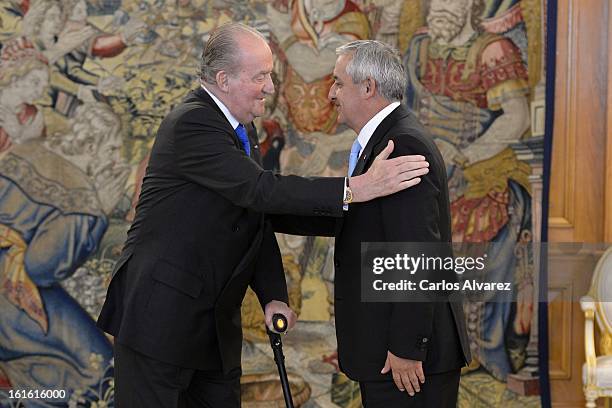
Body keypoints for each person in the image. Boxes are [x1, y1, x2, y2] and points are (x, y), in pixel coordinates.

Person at [96, 22, 429, 408]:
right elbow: (260, 190)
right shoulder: (192, 122)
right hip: (160, 320)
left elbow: (256, 212)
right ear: (224, 79)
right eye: (261, 76)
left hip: (213, 329)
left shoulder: (240, 128)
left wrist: (273, 295)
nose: (271, 87)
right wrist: (356, 189)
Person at [272, 40, 471, 407]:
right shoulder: (384, 141)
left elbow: (417, 253)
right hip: (389, 353)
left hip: (406, 360)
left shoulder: (402, 145)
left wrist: (407, 347)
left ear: (367, 87)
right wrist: (265, 208)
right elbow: (359, 218)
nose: (331, 93)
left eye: (338, 83)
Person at [404, 0, 533, 380]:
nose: (438, 8)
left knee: (473, 236)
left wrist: (465, 154)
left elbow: (518, 116)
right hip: (425, 172)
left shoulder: (493, 50)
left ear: (471, 6)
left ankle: (474, 352)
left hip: (476, 169)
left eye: (450, 1)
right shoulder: (420, 48)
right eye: (435, 2)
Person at [0, 102, 127, 406]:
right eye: (111, 150)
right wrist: (100, 213)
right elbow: (41, 267)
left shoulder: (27, 149)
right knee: (101, 374)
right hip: (14, 297)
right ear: (91, 145)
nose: (113, 161)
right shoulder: (83, 201)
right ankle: (12, 400)